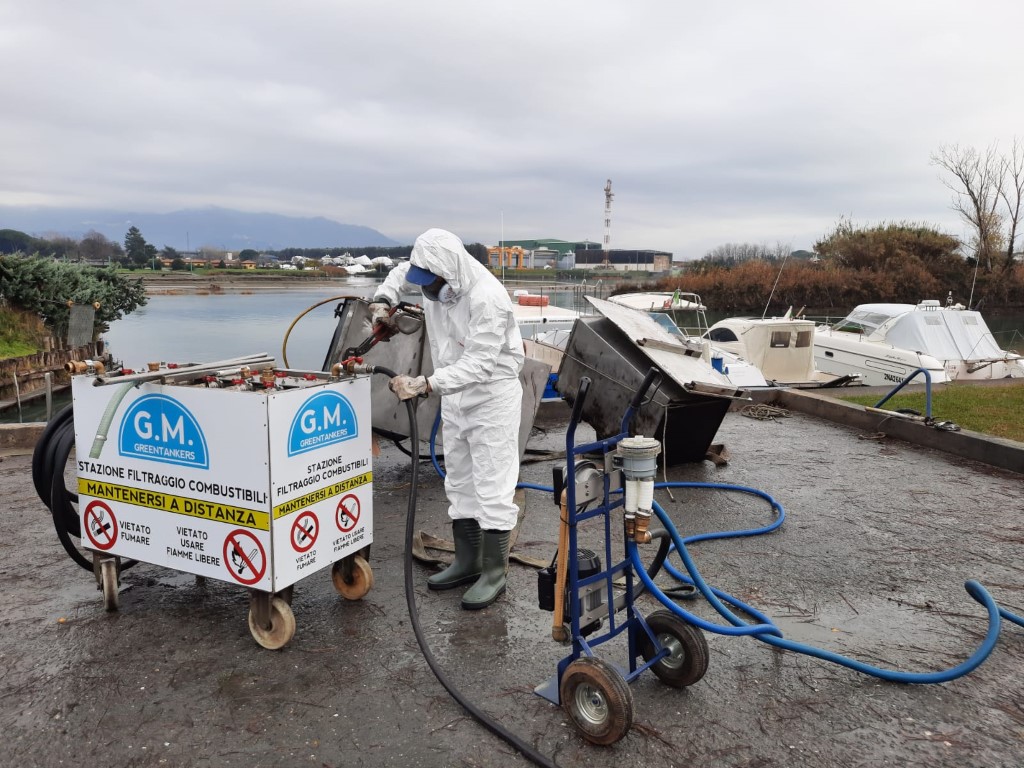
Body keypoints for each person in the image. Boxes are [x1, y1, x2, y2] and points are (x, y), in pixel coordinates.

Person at [370, 228, 524, 610]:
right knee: (459, 478)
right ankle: (467, 559)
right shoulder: (432, 272)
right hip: (453, 392)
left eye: (430, 283)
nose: (425, 289)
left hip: (491, 395)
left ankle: (493, 571)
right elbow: (399, 274)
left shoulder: (488, 299)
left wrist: (425, 384)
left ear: (448, 274)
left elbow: (480, 363)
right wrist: (383, 302)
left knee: (492, 483)